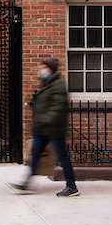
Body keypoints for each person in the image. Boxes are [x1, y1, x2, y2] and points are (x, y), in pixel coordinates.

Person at [15, 56, 79, 197]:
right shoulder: (47, 84)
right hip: (43, 129)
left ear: (50, 69)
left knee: (63, 157)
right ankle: (26, 184)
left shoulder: (58, 85)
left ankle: (72, 186)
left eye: (43, 68)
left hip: (54, 129)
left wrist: (44, 120)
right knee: (35, 155)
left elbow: (57, 108)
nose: (40, 71)